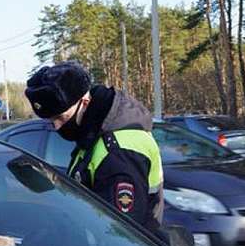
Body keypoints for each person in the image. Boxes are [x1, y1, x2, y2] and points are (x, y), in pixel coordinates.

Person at [24, 61, 163, 233]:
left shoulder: (118, 151)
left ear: (84, 102)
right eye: (51, 121)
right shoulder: (92, 134)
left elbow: (118, 233)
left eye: (60, 117)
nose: (57, 127)